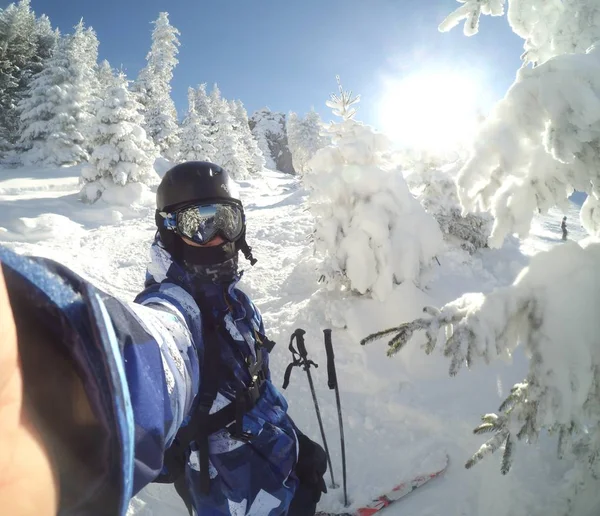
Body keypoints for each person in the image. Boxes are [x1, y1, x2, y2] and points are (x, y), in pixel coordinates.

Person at [0, 161, 327, 515]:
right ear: (171, 230)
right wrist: (72, 361)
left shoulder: (238, 303)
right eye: (198, 225)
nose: (217, 237)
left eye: (226, 221)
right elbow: (154, 353)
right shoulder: (177, 307)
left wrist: (291, 439)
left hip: (276, 466)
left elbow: (256, 384)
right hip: (232, 498)